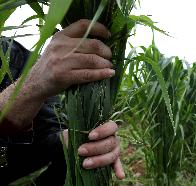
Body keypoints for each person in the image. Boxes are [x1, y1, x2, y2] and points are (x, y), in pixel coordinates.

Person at [0, 19, 124, 185]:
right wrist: (31, 85)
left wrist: (81, 141)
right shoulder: (34, 71)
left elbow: (47, 139)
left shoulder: (19, 59)